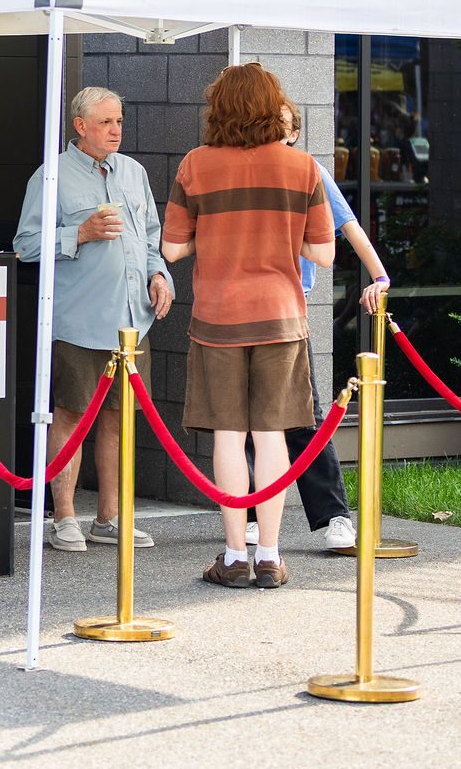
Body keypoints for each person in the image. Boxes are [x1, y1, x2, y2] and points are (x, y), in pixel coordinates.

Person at [161, 63, 334, 591]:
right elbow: (323, 254)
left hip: (219, 318)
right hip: (281, 317)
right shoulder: (302, 166)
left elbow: (172, 248)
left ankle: (235, 556)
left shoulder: (196, 164)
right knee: (273, 434)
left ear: (219, 107)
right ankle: (270, 555)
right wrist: (279, 235)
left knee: (230, 436)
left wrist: (214, 237)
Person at [14, 86, 173, 552]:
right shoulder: (52, 176)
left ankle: (110, 518)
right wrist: (79, 232)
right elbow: (25, 245)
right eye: (106, 122)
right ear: (80, 125)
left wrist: (160, 275)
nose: (116, 130)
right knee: (70, 416)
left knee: (119, 419)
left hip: (132, 322)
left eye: (119, 120)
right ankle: (64, 517)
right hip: (80, 321)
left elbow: (150, 238)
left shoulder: (135, 172)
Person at [241, 101, 390, 552]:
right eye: (269, 122)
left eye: (284, 125)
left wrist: (380, 275)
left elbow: (349, 226)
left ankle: (334, 516)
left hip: (289, 307)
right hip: (239, 305)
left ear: (293, 133)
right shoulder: (241, 168)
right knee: (245, 417)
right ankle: (251, 513)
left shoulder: (309, 171)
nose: (275, 130)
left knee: (303, 414)